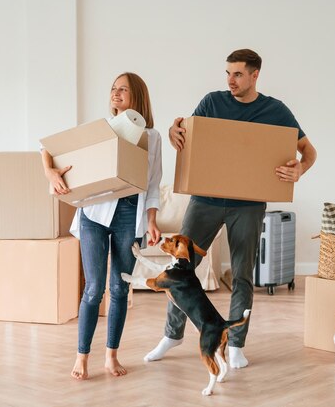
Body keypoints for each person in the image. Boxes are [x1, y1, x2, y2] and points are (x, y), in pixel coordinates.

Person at [144, 49, 317, 368]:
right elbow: (184, 134)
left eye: (237, 74)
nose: (230, 80)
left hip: (247, 207)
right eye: (227, 73)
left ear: (255, 75)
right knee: (180, 269)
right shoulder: (212, 102)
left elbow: (309, 151)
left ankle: (236, 344)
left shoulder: (275, 111)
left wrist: (300, 168)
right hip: (205, 201)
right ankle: (173, 334)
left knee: (241, 275)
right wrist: (173, 132)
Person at [41, 72, 163, 380]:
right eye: (113, 88)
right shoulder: (102, 129)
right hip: (94, 215)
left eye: (123, 89)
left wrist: (151, 220)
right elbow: (49, 148)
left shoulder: (152, 137)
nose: (116, 93)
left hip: (129, 215)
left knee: (119, 288)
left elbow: (152, 184)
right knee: (94, 289)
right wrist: (50, 173)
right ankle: (82, 357)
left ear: (138, 97)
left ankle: (111, 356)